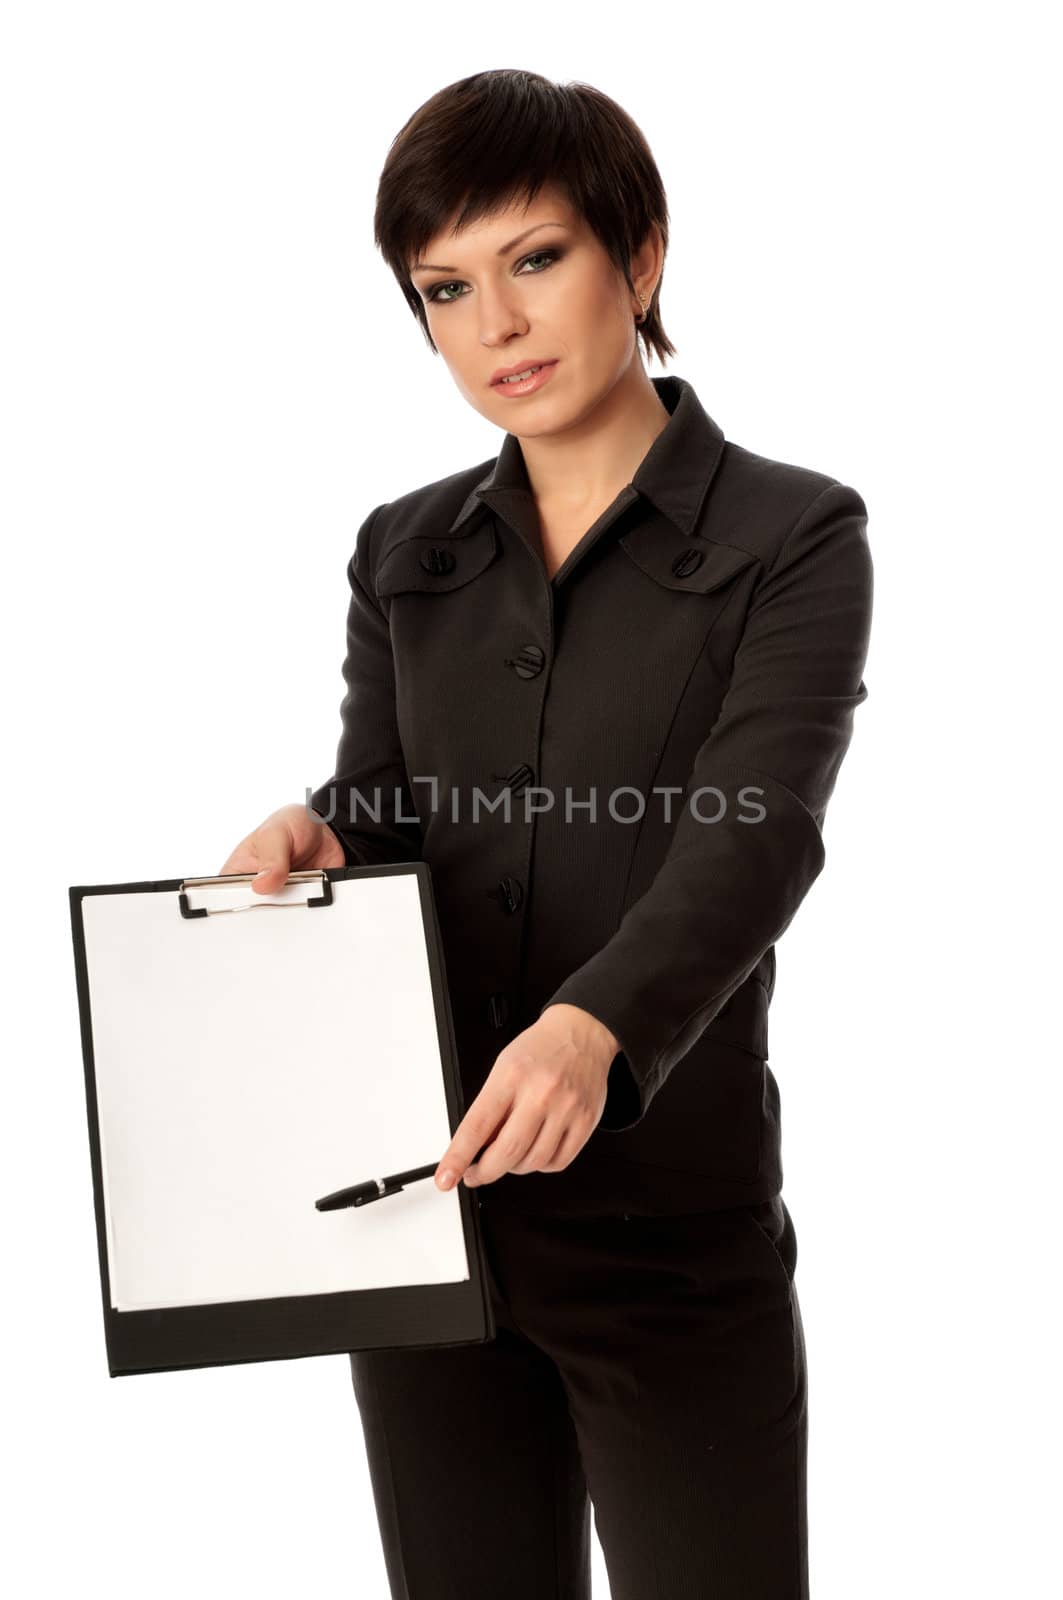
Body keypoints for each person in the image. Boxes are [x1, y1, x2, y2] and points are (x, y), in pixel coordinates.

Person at [220, 69, 873, 1600]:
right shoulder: (407, 549)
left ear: (639, 257)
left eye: (536, 260)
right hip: (424, 1222)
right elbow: (387, 808)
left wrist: (596, 1028)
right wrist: (319, 835)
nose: (495, 326)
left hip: (670, 1239)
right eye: (445, 288)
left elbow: (757, 831)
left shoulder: (798, 536)